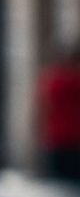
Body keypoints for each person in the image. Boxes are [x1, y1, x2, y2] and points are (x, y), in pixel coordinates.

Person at [39, 47, 80, 182]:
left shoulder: (53, 80)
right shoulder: (73, 82)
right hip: (72, 138)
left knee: (60, 183)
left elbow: (45, 108)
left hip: (57, 138)